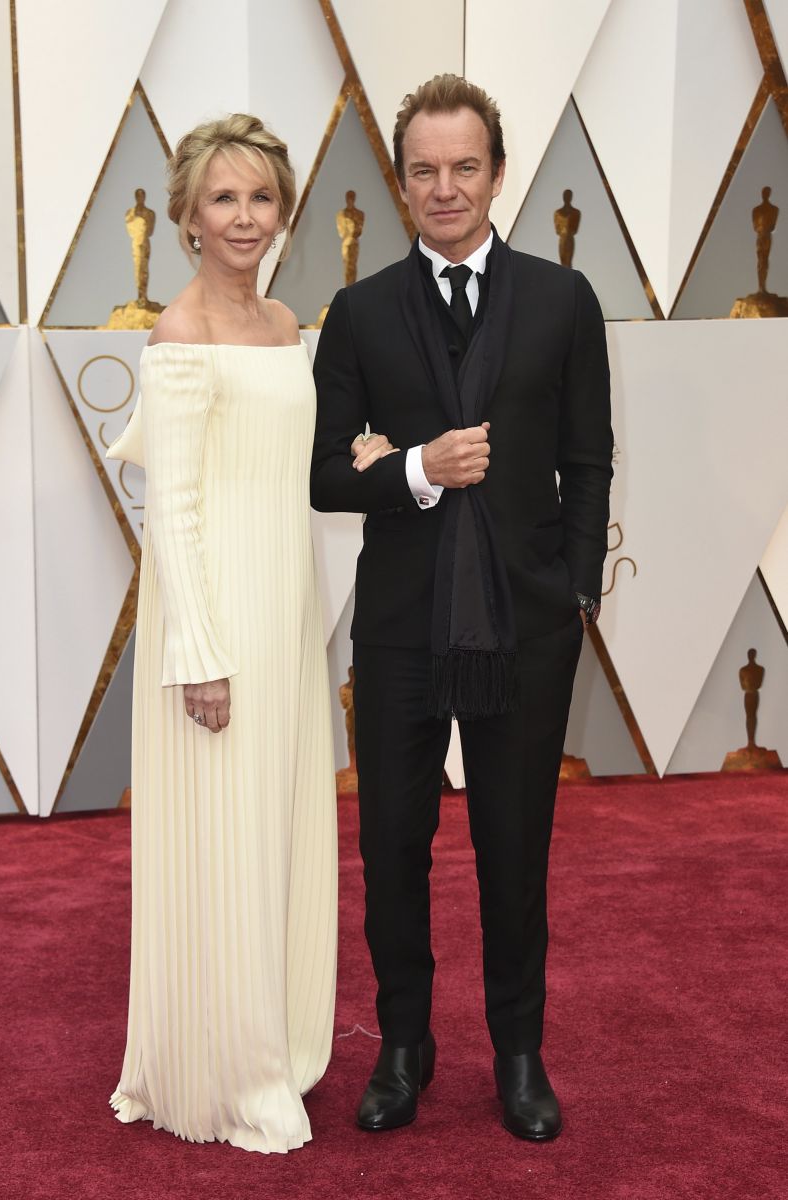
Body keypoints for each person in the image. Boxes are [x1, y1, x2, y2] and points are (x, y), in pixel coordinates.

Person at [311, 75, 612, 1141]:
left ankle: (518, 1053)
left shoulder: (562, 300)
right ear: (400, 182)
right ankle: (404, 1046)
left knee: (513, 846)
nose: (446, 188)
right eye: (425, 170)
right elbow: (325, 475)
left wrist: (575, 589)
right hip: (399, 625)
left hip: (526, 627)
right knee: (393, 842)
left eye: (465, 166)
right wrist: (418, 471)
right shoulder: (356, 312)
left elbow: (588, 457)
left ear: (496, 172)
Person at [106, 114, 338, 1154]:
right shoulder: (181, 333)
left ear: (280, 209)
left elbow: (284, 467)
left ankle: (279, 1044)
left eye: (259, 198)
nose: (243, 217)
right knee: (228, 841)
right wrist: (198, 657)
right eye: (223, 199)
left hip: (284, 615)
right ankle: (232, 1076)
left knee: (281, 832)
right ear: (190, 214)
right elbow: (177, 511)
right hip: (217, 628)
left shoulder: (286, 323)